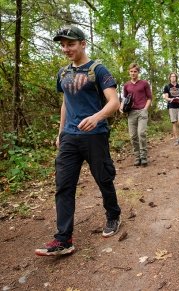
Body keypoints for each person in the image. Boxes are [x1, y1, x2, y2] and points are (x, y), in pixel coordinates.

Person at [35, 26, 121, 256]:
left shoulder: (98, 70)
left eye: (70, 44)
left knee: (103, 178)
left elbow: (114, 102)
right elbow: (66, 103)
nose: (66, 49)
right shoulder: (63, 74)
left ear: (83, 43)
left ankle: (113, 215)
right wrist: (61, 132)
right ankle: (64, 239)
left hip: (95, 135)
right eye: (63, 45)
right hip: (70, 138)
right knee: (63, 186)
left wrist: (96, 117)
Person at [120, 63, 152, 167]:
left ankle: (143, 157)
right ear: (129, 72)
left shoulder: (144, 83)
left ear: (138, 72)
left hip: (142, 111)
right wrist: (121, 107)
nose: (133, 73)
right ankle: (137, 157)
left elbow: (149, 98)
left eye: (135, 71)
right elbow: (124, 99)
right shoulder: (126, 85)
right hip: (131, 113)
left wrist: (145, 109)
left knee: (141, 133)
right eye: (131, 71)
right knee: (133, 136)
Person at [163, 72, 179, 145]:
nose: (173, 78)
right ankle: (177, 139)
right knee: (174, 123)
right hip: (171, 107)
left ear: (176, 78)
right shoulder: (167, 87)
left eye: (174, 76)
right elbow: (166, 97)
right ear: (169, 78)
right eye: (171, 76)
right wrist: (171, 99)